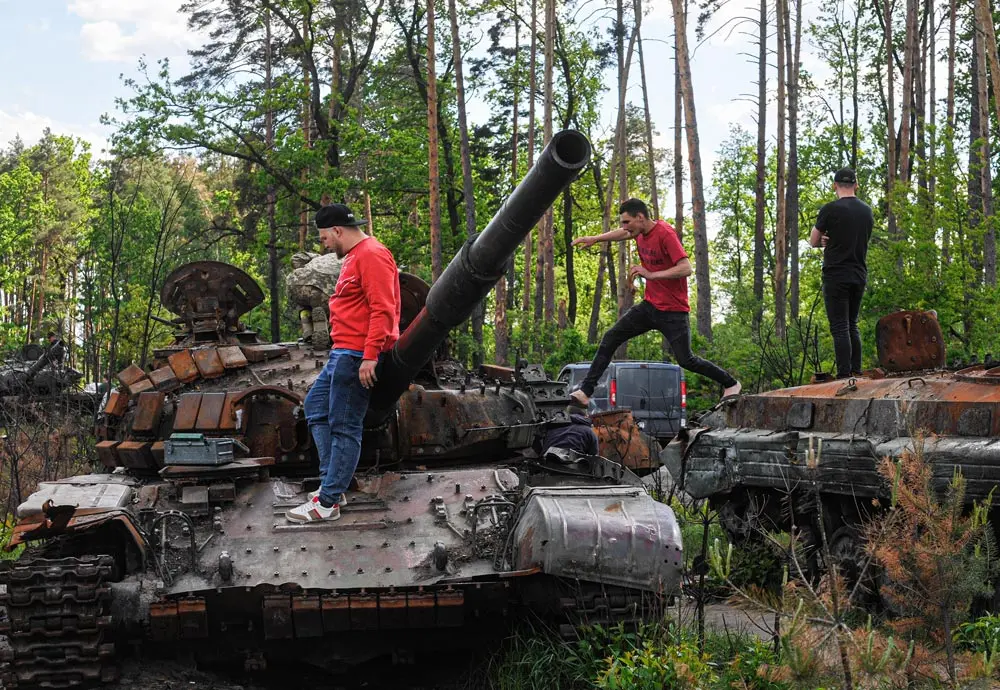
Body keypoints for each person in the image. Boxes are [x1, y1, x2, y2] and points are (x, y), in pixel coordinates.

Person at [287, 203, 401, 523]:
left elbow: (383, 309)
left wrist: (370, 356)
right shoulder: (352, 256)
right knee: (315, 408)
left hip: (356, 355)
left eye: (324, 238)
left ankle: (327, 503)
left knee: (344, 426)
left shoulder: (372, 254)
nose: (323, 244)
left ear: (337, 230)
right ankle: (331, 485)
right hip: (342, 351)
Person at [570, 199, 741, 408]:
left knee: (686, 360)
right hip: (650, 307)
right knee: (611, 337)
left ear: (640, 217)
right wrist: (595, 238)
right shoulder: (638, 232)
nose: (624, 228)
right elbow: (622, 234)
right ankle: (586, 392)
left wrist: (652, 275)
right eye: (622, 223)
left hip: (674, 312)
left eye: (627, 222)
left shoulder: (665, 233)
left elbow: (686, 268)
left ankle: (731, 384)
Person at [809, 168, 873, 379]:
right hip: (858, 273)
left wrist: (824, 242)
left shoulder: (830, 210)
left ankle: (845, 375)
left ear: (835, 185)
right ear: (856, 185)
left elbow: (813, 241)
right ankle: (856, 370)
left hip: (836, 274)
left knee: (839, 326)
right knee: (852, 323)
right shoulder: (866, 211)